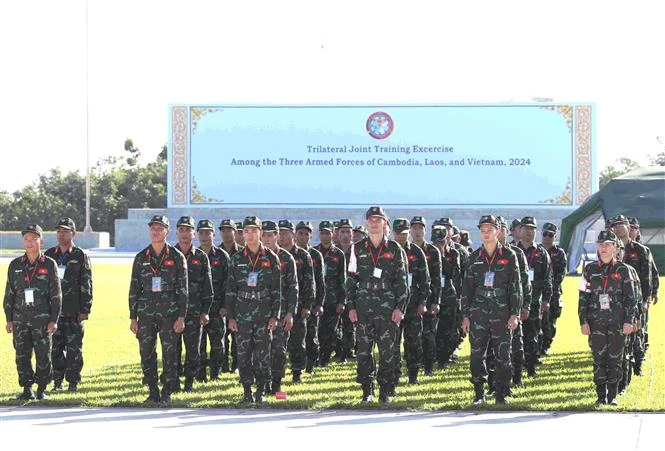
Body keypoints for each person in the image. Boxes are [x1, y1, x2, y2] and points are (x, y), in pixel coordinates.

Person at [347, 206, 408, 404]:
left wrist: (400, 308)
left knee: (387, 351)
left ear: (385, 223)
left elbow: (402, 282)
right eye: (371, 220)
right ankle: (367, 391)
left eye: (378, 220)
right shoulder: (357, 249)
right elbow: (350, 280)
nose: (374, 223)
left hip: (387, 308)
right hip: (363, 307)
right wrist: (351, 307)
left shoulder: (394, 249)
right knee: (364, 351)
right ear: (366, 223)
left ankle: (385, 390)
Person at [461, 215, 520, 405]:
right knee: (477, 354)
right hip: (478, 311)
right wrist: (466, 316)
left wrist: (514, 314)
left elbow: (515, 286)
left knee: (503, 354)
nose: (486, 234)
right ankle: (479, 392)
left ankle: (501, 392)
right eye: (483, 230)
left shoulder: (509, 256)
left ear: (498, 231)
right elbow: (466, 289)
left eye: (490, 230)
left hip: (501, 311)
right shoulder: (474, 257)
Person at [128, 215, 188, 403]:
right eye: (153, 228)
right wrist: (133, 317)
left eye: (160, 228)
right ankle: (153, 390)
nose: (156, 231)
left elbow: (183, 289)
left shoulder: (176, 257)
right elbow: (134, 288)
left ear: (167, 231)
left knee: (169, 353)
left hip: (169, 312)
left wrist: (181, 317)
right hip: (146, 312)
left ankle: (167, 392)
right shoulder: (141, 257)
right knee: (146, 352)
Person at [226, 216, 280, 403]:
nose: (249, 235)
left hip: (263, 312)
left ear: (260, 232)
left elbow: (276, 290)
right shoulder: (236, 259)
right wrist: (231, 317)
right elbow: (230, 290)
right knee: (243, 353)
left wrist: (275, 316)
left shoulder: (271, 258)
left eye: (253, 230)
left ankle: (261, 390)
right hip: (242, 312)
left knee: (263, 353)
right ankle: (247, 390)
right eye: (246, 231)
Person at [4, 224, 62, 400]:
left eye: (33, 239)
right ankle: (26, 389)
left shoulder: (49, 264)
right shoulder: (15, 265)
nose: (29, 243)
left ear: (41, 241)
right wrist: (9, 319)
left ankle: (41, 389)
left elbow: (56, 295)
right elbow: (9, 294)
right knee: (22, 354)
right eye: (26, 239)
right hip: (20, 318)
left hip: (42, 319)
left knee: (43, 354)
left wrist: (54, 319)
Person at [579, 230, 637, 406]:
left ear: (615, 248)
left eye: (608, 245)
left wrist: (629, 321)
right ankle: (600, 395)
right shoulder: (589, 269)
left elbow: (631, 298)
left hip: (617, 322)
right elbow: (583, 297)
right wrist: (583, 321)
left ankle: (612, 395)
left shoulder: (623, 270)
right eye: (601, 244)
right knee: (598, 359)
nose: (603, 248)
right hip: (596, 323)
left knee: (615, 359)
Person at [44, 217, 92, 393]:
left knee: (74, 348)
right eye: (58, 231)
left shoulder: (80, 255)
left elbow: (86, 283)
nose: (61, 234)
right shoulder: (49, 255)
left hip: (74, 311)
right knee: (55, 347)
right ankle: (57, 381)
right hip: (54, 312)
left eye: (65, 231)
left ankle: (73, 382)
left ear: (73, 233)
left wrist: (85, 309)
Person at [174, 216, 213, 392]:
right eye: (181, 229)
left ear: (194, 234)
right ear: (176, 232)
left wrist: (205, 311)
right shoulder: (169, 254)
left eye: (188, 230)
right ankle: (172, 382)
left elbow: (207, 287)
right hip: (172, 312)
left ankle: (189, 383)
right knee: (172, 350)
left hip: (195, 312)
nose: (184, 233)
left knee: (193, 350)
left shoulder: (201, 257)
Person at [610, 214, 651, 376]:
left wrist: (645, 300)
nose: (618, 227)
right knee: (619, 335)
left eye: (622, 224)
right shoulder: (610, 249)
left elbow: (646, 279)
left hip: (636, 298)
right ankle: (620, 366)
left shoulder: (640, 250)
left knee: (637, 332)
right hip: (615, 299)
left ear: (628, 227)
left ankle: (638, 364)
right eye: (615, 225)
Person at [261, 220, 297, 395]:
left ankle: (276, 385)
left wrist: (290, 313)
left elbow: (293, 287)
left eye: (270, 235)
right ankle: (263, 385)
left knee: (279, 350)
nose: (267, 239)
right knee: (261, 351)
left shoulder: (286, 258)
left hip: (281, 313)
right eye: (264, 235)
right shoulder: (257, 256)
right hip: (260, 312)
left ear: (277, 236)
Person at [392, 218, 430, 385]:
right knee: (391, 343)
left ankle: (413, 375)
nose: (401, 237)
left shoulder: (416, 252)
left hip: (413, 306)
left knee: (413, 342)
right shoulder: (388, 251)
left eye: (404, 234)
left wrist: (423, 302)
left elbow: (425, 280)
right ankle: (393, 374)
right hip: (391, 306)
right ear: (393, 233)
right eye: (398, 233)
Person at [279, 219, 315, 383]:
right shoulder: (274, 254)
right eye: (280, 232)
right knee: (276, 342)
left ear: (292, 234)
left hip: (298, 306)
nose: (282, 236)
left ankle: (296, 372)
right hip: (277, 306)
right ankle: (277, 372)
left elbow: (310, 283)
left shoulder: (303, 255)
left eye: (286, 232)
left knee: (297, 341)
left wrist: (308, 305)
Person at [517, 216, 552, 377]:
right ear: (520, 230)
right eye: (526, 228)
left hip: (534, 301)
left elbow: (547, 278)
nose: (529, 231)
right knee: (515, 337)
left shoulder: (541, 253)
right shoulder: (513, 251)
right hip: (515, 300)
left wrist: (546, 299)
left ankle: (531, 368)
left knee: (532, 335)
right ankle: (516, 367)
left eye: (532, 228)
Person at [196, 219, 230, 381]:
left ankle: (215, 374)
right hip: (198, 308)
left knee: (218, 344)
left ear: (213, 235)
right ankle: (200, 374)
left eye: (207, 232)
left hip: (217, 309)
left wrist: (225, 306)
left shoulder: (222, 256)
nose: (204, 236)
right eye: (201, 233)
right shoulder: (193, 256)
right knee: (198, 344)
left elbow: (229, 284)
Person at [410, 216, 442, 377]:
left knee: (428, 334)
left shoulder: (432, 251)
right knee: (411, 337)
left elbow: (436, 279)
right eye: (414, 228)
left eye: (420, 228)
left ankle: (429, 366)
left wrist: (436, 301)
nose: (417, 231)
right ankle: (413, 364)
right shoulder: (404, 250)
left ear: (425, 229)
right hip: (410, 299)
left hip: (428, 299)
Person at [315, 220, 347, 367]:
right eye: (322, 233)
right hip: (317, 300)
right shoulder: (314, 253)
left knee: (332, 331)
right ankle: (317, 357)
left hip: (333, 299)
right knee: (318, 330)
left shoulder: (339, 254)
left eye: (327, 233)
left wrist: (342, 301)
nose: (325, 236)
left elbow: (343, 280)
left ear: (333, 234)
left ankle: (325, 359)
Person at [295, 220, 325, 373]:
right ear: (295, 234)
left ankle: (311, 364)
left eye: (306, 234)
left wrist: (319, 303)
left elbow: (319, 281)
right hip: (294, 302)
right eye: (300, 233)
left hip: (310, 301)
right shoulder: (289, 254)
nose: (303, 236)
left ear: (310, 236)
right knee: (296, 338)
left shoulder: (315, 255)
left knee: (311, 334)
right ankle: (297, 365)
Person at [432, 226, 461, 369]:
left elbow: (454, 273)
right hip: (434, 295)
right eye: (436, 242)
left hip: (449, 296)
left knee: (448, 330)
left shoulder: (454, 254)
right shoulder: (429, 253)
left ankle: (444, 358)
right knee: (433, 330)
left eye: (441, 242)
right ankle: (433, 357)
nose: (438, 245)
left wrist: (442, 256)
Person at [219, 219, 243, 373]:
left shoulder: (243, 252)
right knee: (222, 336)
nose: (226, 233)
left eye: (230, 230)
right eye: (224, 230)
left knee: (237, 336)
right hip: (220, 302)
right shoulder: (216, 252)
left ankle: (237, 364)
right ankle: (223, 364)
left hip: (239, 301)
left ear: (235, 232)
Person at [540, 222, 567, 355]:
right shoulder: (536, 250)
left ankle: (547, 344)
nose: (547, 237)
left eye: (550, 235)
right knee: (536, 320)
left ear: (554, 236)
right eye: (545, 234)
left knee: (551, 319)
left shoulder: (559, 252)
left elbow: (562, 272)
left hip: (553, 293)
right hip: (537, 291)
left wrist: (550, 285)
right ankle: (536, 345)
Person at [336, 218, 356, 362]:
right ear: (337, 233)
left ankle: (349, 351)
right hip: (335, 293)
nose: (345, 235)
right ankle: (338, 350)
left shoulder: (357, 251)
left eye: (348, 232)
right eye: (342, 231)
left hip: (352, 293)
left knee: (350, 325)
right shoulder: (334, 252)